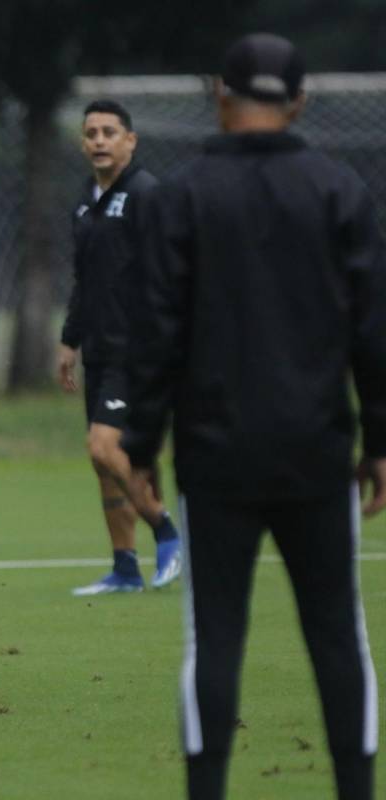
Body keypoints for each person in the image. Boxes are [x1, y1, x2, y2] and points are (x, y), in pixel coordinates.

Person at [122, 33, 384, 800]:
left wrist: (140, 443)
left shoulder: (182, 196)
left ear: (220, 95)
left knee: (216, 639)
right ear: (299, 100)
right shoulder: (340, 191)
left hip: (215, 456)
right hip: (317, 450)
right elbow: (373, 329)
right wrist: (381, 439)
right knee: (340, 635)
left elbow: (155, 332)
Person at [57, 99, 183, 596]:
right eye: (91, 133)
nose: (100, 140)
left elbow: (171, 273)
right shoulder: (86, 203)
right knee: (105, 465)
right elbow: (84, 282)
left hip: (138, 350)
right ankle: (125, 568)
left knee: (105, 448)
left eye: (110, 131)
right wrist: (69, 341)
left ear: (130, 140)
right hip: (99, 351)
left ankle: (166, 528)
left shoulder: (149, 195)